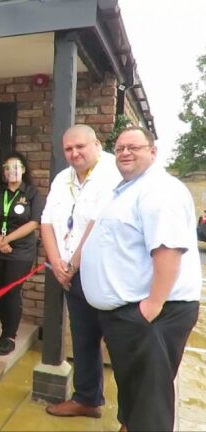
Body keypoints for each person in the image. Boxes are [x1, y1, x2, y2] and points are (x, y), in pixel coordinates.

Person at [81, 126, 201, 432]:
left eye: (133, 147)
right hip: (133, 311)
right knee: (135, 388)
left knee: (151, 402)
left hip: (155, 312)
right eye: (120, 148)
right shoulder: (129, 188)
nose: (124, 153)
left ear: (153, 151)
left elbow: (167, 250)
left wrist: (152, 305)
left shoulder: (160, 190)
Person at [41, 124, 120, 418]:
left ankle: (135, 416)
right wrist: (56, 264)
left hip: (104, 273)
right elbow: (46, 220)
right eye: (68, 149)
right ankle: (87, 399)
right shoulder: (63, 178)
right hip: (68, 274)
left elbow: (98, 224)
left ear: (96, 144)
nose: (74, 153)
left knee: (119, 343)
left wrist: (71, 265)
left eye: (80, 147)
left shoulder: (112, 172)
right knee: (83, 338)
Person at [0, 152, 44, 355]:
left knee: (12, 291)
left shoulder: (32, 193)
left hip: (20, 251)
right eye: (7, 168)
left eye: (15, 167)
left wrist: (7, 240)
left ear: (24, 170)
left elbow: (33, 223)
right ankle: (4, 328)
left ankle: (10, 336)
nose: (11, 171)